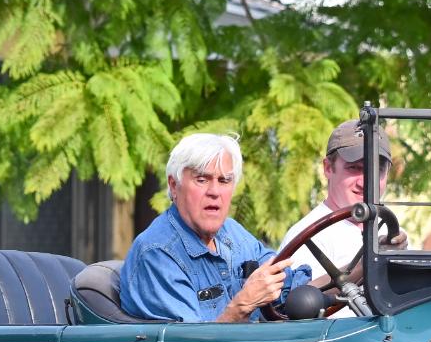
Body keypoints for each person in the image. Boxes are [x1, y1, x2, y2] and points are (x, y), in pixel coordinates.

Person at [119, 133, 312, 323]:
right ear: (174, 186)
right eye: (202, 180)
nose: (214, 192)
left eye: (224, 180)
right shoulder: (157, 254)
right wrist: (242, 305)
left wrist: (338, 282)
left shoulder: (232, 232)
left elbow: (287, 286)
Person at [277, 119, 396, 278]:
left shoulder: (395, 234)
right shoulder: (307, 237)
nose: (365, 183)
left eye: (377, 170)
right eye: (354, 168)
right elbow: (301, 298)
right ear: (328, 168)